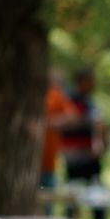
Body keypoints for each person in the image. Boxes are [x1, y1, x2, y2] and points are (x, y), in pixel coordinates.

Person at [60, 67, 109, 219]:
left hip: (91, 160)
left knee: (98, 201)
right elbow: (68, 123)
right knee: (73, 202)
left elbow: (99, 127)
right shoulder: (70, 101)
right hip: (75, 160)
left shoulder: (90, 102)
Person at [40, 69, 77, 208]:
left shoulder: (55, 95)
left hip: (48, 161)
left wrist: (48, 123)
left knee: (47, 203)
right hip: (28, 165)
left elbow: (72, 117)